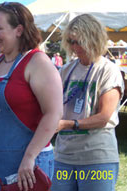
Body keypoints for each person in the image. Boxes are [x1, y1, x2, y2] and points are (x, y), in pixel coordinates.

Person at [0, 2, 63, 191]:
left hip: (27, 166)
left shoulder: (37, 62)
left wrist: (30, 156)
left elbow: (53, 113)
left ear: (19, 30)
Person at [52, 14, 124, 191]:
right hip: (64, 157)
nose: (75, 47)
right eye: (71, 41)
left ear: (93, 39)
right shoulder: (67, 69)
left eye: (79, 42)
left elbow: (103, 117)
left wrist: (67, 124)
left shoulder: (109, 70)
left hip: (97, 158)